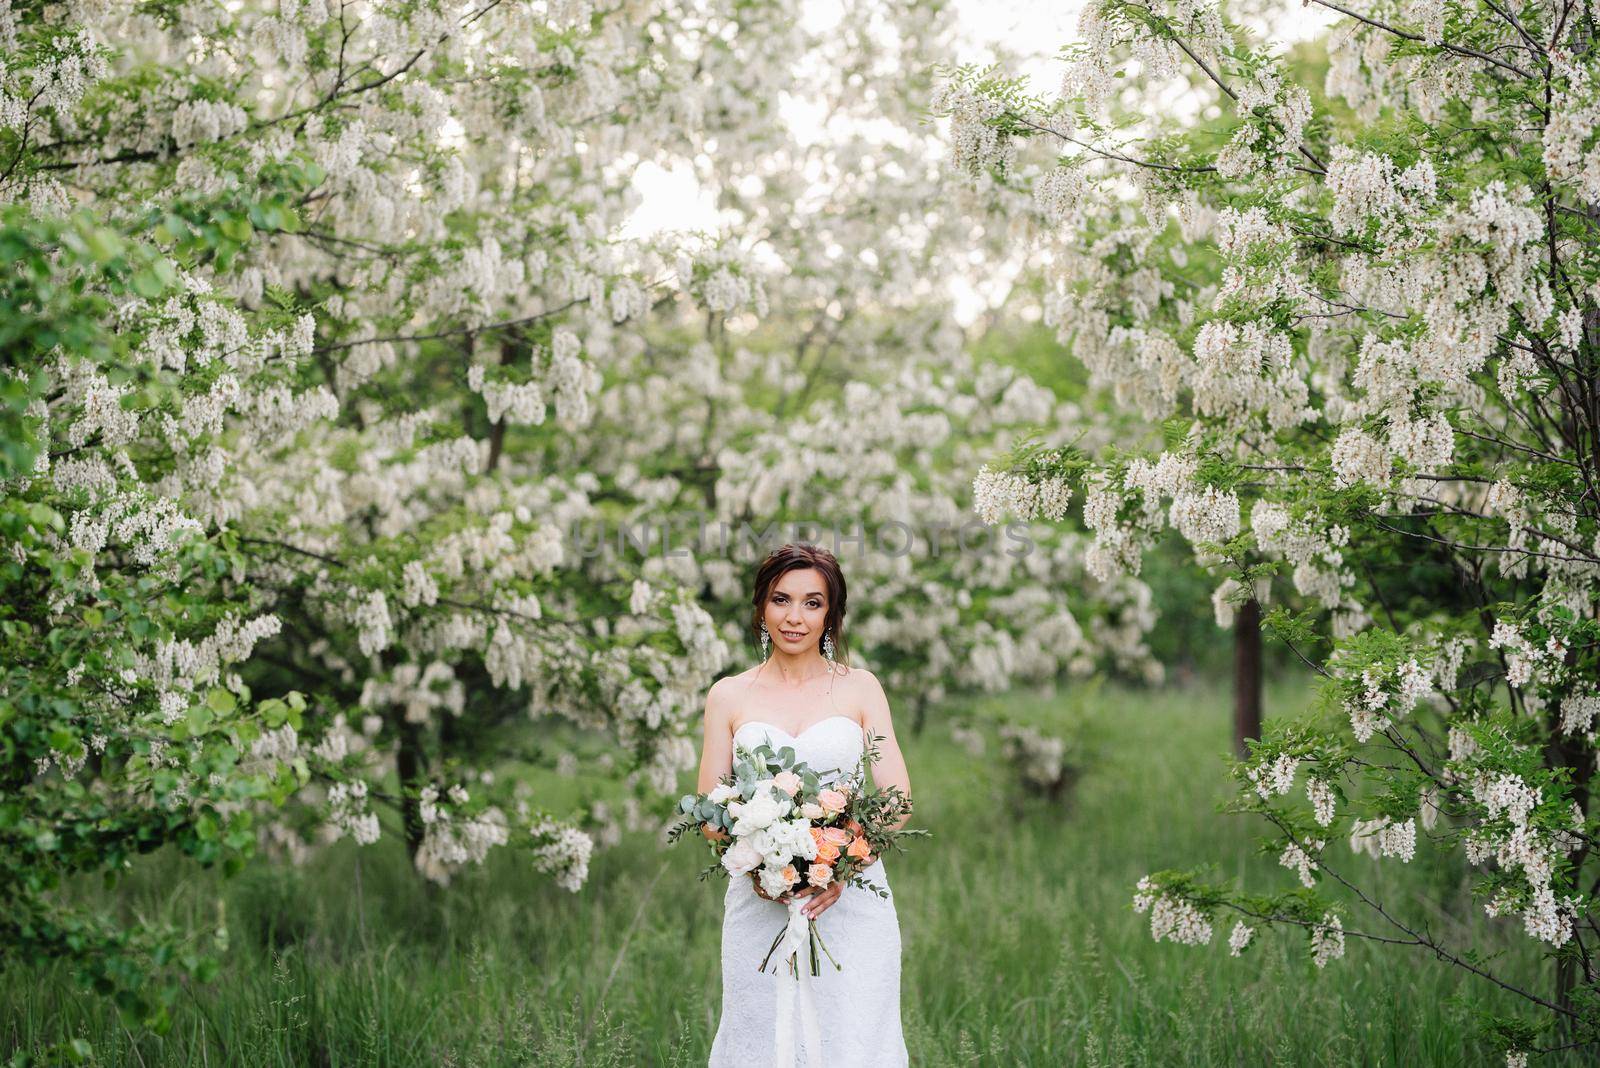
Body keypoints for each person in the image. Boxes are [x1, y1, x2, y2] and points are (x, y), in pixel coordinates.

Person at [699, 543, 913, 1067]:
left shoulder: (861, 688)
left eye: (812, 603)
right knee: (761, 1033)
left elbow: (897, 801)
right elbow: (710, 812)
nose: (795, 617)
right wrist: (769, 865)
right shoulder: (728, 695)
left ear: (831, 615)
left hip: (853, 899)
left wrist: (839, 868)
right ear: (761, 610)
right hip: (760, 899)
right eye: (781, 600)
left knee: (856, 1032)